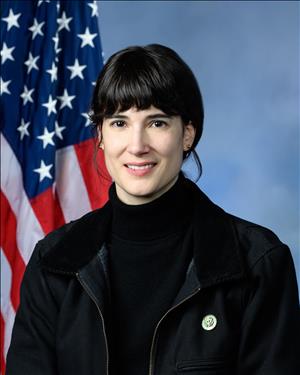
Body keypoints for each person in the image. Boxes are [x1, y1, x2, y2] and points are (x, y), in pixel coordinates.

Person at [6, 44, 300, 375]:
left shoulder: (258, 263)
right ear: (100, 135)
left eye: (157, 123)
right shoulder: (53, 264)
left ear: (187, 134)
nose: (137, 145)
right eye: (119, 123)